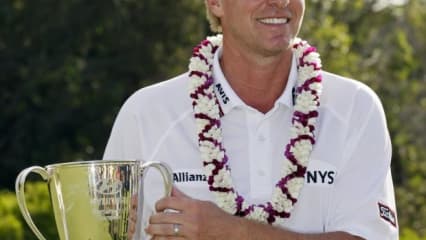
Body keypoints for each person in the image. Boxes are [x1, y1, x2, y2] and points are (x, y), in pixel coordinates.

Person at [103, 0, 399, 239]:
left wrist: (227, 231)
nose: (280, 2)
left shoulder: (355, 108)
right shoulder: (145, 113)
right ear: (215, 3)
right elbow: (101, 230)